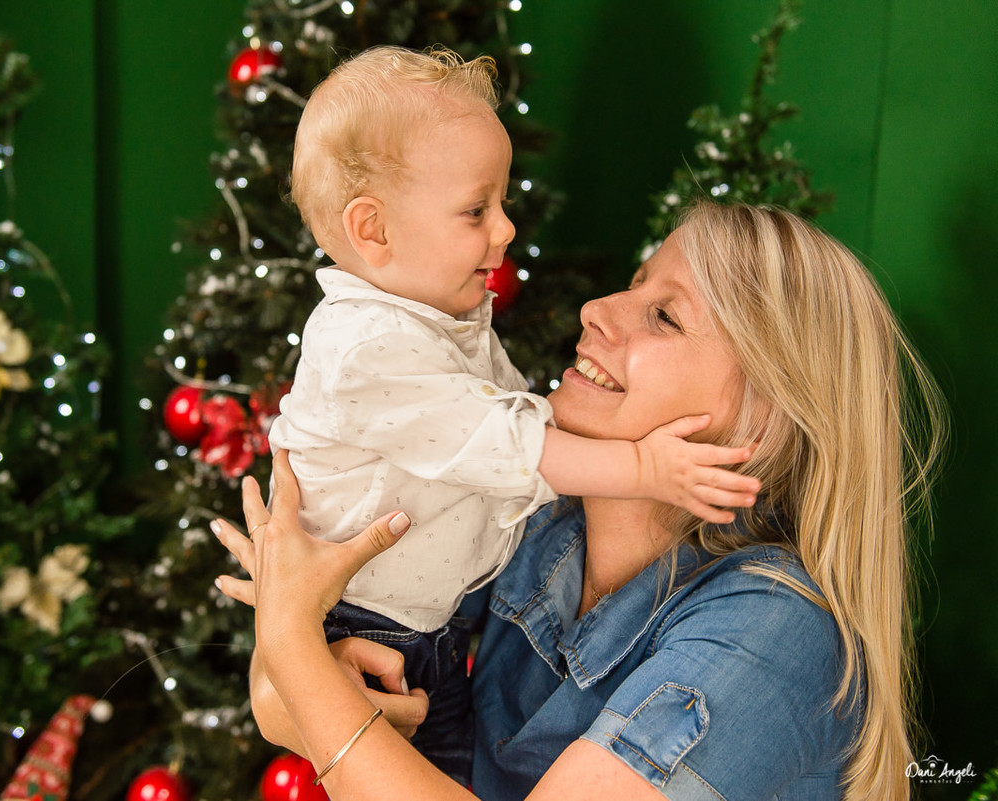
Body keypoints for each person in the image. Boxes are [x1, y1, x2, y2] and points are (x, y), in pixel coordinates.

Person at [214, 201, 946, 801]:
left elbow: (293, 665)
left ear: (765, 419)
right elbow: (280, 700)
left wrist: (292, 641)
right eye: (634, 283)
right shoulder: (540, 520)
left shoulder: (776, 632)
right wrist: (308, 659)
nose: (597, 308)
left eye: (665, 317)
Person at [271, 46, 760, 781]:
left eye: (664, 315)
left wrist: (284, 647)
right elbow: (507, 440)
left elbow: (514, 422)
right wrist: (642, 466)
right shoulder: (367, 346)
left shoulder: (439, 322)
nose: (504, 230)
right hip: (368, 621)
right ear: (373, 230)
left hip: (418, 624)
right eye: (477, 210)